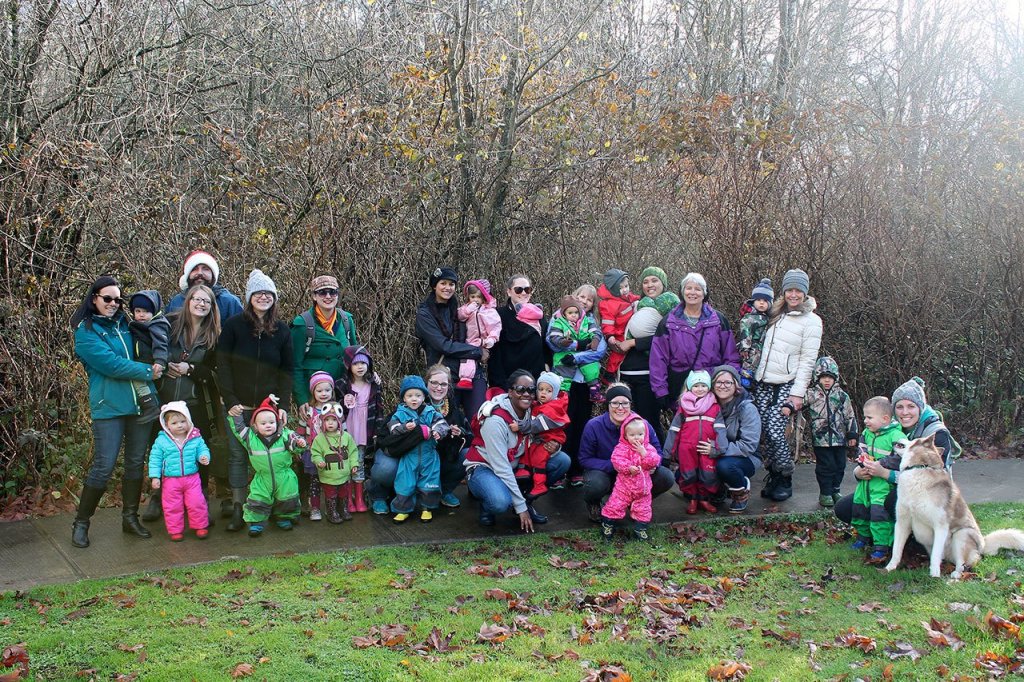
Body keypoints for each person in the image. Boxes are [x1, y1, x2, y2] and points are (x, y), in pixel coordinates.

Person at [70, 276, 163, 548]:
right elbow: (112, 365)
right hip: (109, 408)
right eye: (107, 298)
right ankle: (81, 522)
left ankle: (130, 518)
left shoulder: (127, 324)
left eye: (117, 299)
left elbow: (154, 338)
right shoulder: (86, 332)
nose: (113, 304)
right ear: (94, 298)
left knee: (135, 462)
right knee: (104, 466)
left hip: (141, 405)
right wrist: (149, 371)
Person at [217, 269, 294, 532]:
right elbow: (223, 363)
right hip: (238, 404)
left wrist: (283, 405)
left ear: (274, 298)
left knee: (275, 456)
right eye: (258, 293)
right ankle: (240, 507)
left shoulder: (282, 330)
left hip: (269, 409)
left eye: (268, 293)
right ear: (249, 297)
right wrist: (229, 399)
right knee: (238, 456)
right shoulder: (234, 326)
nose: (263, 297)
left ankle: (276, 506)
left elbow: (287, 371)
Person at [834, 377, 958, 530]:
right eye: (899, 407)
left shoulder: (936, 434)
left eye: (911, 406)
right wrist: (859, 472)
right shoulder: (889, 428)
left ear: (920, 407)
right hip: (890, 486)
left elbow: (928, 480)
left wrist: (885, 473)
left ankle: (915, 538)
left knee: (892, 500)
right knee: (844, 508)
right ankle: (885, 532)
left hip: (931, 496)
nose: (905, 412)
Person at [149, 284, 222, 527]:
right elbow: (152, 351)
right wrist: (162, 365)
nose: (201, 304)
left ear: (212, 308)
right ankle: (157, 498)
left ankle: (198, 503)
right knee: (162, 450)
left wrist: (191, 369)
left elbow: (217, 374)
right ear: (188, 300)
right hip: (165, 401)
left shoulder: (214, 337)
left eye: (207, 302)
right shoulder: (169, 326)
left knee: (197, 453)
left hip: (196, 404)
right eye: (197, 299)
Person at [464, 370, 570, 531]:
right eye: (520, 389)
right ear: (510, 392)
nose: (526, 394)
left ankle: (526, 500)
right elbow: (501, 467)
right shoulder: (495, 420)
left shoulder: (533, 410)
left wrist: (554, 444)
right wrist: (521, 509)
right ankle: (488, 504)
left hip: (517, 465)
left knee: (561, 460)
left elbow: (551, 431)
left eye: (531, 390)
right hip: (487, 467)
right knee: (499, 502)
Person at [752, 268, 823, 502]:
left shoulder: (812, 321)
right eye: (789, 290)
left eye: (798, 290)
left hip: (787, 383)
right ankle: (773, 474)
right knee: (765, 432)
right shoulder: (775, 313)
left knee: (776, 431)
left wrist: (797, 394)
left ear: (805, 292)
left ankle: (785, 476)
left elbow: (807, 360)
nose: (793, 295)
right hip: (763, 381)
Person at [368, 365, 468, 513]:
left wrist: (458, 433)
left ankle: (443, 491)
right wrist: (413, 432)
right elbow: (384, 438)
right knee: (386, 468)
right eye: (434, 383)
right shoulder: (408, 406)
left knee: (467, 454)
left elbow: (469, 436)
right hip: (405, 457)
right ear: (426, 384)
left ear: (449, 387)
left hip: (432, 460)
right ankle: (379, 494)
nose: (439, 387)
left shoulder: (452, 410)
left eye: (443, 384)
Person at [578, 384, 674, 523]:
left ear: (630, 404)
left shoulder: (643, 424)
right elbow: (584, 459)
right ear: (608, 404)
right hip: (606, 472)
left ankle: (637, 504)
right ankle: (594, 504)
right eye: (615, 403)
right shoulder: (594, 426)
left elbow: (657, 451)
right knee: (594, 484)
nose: (620, 407)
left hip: (637, 474)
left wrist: (654, 463)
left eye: (625, 403)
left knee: (666, 476)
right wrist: (615, 465)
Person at [650, 272, 740, 414]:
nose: (692, 292)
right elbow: (658, 360)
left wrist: (730, 382)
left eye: (697, 289)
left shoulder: (718, 320)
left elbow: (731, 356)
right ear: (682, 291)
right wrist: (660, 390)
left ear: (704, 293)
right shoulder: (668, 322)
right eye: (688, 288)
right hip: (680, 388)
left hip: (713, 388)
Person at [550, 285, 608, 488]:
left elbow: (599, 350)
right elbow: (554, 344)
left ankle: (576, 469)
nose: (584, 301)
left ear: (593, 305)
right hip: (565, 382)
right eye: (581, 296)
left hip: (584, 382)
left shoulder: (592, 323)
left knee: (581, 424)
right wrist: (581, 345)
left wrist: (576, 356)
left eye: (589, 299)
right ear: (573, 297)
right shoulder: (558, 318)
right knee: (563, 424)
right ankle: (559, 469)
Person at [227, 395, 306, 537]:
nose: (268, 425)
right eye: (263, 423)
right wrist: (236, 415)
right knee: (258, 499)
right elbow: (238, 429)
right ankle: (256, 523)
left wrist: (299, 443)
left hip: (283, 475)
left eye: (271, 422)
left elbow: (295, 441)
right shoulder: (250, 438)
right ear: (255, 426)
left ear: (277, 422)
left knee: (287, 498)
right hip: (263, 477)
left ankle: (283, 517)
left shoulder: (284, 435)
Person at [415, 267, 487, 420]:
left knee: (479, 420)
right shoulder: (425, 313)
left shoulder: (460, 310)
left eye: (452, 284)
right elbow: (443, 345)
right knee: (445, 424)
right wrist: (477, 351)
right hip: (444, 377)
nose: (448, 288)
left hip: (470, 371)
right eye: (443, 283)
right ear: (435, 285)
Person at [619, 267, 679, 445]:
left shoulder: (672, 306)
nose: (649, 285)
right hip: (628, 371)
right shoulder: (639, 304)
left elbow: (670, 339)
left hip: (650, 374)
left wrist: (633, 343)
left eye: (654, 281)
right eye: (646, 281)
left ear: (663, 283)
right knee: (628, 423)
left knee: (648, 421)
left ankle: (658, 462)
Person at [291, 274, 358, 413]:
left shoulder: (346, 320)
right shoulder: (302, 324)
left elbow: (356, 357)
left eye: (332, 292)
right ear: (314, 296)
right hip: (315, 396)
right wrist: (302, 399)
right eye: (322, 292)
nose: (328, 296)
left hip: (343, 390)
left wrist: (369, 374)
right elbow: (294, 365)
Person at [388, 376, 449, 524]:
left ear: (424, 396)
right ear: (404, 398)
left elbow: (442, 423)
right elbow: (392, 427)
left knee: (429, 482)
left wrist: (438, 431)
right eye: (410, 396)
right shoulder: (401, 413)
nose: (414, 399)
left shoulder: (430, 411)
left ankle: (426, 508)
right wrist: (403, 428)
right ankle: (402, 510)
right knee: (405, 483)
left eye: (418, 395)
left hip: (429, 456)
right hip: (409, 455)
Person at [147, 402, 211, 541]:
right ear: (166, 424)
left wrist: (204, 456)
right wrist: (155, 476)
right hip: (171, 480)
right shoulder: (161, 440)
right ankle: (175, 530)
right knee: (172, 506)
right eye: (175, 423)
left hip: (192, 478)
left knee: (197, 502)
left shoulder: (195, 437)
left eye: (183, 421)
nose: (180, 425)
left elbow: (203, 449)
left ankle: (200, 526)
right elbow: (155, 459)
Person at [849, 396, 902, 562]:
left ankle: (881, 546)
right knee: (859, 509)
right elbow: (861, 450)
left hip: (882, 485)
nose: (865, 421)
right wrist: (862, 461)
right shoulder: (866, 433)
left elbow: (900, 458)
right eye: (865, 417)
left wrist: (880, 464)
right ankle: (862, 538)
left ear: (885, 418)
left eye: (869, 417)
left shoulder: (896, 436)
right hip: (865, 483)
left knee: (879, 514)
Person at [705, 366, 763, 514]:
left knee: (725, 467)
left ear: (736, 385)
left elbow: (748, 446)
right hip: (715, 451)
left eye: (727, 382)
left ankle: (741, 490)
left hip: (745, 456)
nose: (722, 386)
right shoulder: (708, 406)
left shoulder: (747, 409)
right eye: (718, 382)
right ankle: (719, 489)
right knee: (683, 473)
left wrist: (716, 449)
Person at [802, 357, 858, 507]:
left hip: (840, 438)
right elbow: (798, 404)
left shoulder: (841, 396)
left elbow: (850, 415)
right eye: (823, 377)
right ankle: (825, 492)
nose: (827, 380)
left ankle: (835, 490)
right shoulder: (811, 394)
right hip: (821, 439)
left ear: (836, 378)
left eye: (830, 377)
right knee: (826, 466)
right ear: (817, 378)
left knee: (840, 464)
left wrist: (852, 434)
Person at [663, 370, 720, 514]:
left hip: (706, 447)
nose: (700, 389)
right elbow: (674, 431)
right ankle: (693, 499)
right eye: (696, 386)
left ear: (709, 387)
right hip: (686, 447)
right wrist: (668, 453)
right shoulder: (683, 408)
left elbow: (721, 430)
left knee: (707, 474)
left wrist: (720, 447)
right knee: (689, 474)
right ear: (689, 387)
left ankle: (704, 499)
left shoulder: (714, 406)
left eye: (703, 385)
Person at [336, 345, 384, 513]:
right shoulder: (341, 385)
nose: (360, 367)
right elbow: (335, 410)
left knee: (360, 462)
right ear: (349, 365)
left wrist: (379, 429)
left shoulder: (373, 384)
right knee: (347, 463)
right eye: (356, 364)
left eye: (364, 363)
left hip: (365, 429)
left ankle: (360, 498)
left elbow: (379, 409)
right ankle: (348, 499)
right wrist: (344, 403)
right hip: (348, 430)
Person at [600, 414, 661, 543]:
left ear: (645, 434)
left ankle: (640, 528)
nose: (637, 438)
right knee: (615, 505)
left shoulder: (648, 448)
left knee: (643, 509)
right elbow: (616, 461)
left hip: (643, 489)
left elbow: (654, 461)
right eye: (632, 435)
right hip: (624, 488)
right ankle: (608, 525)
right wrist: (628, 468)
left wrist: (644, 453)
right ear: (625, 435)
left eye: (640, 434)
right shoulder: (622, 448)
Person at [512, 371, 570, 498]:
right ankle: (524, 470)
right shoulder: (540, 404)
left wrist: (520, 426)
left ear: (554, 393)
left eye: (548, 391)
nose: (543, 393)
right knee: (528, 450)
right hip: (539, 438)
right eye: (540, 389)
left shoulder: (553, 408)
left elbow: (538, 424)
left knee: (539, 459)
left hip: (547, 439)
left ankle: (539, 485)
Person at [488, 275, 548, 390]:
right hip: (510, 382)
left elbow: (545, 346)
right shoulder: (498, 315)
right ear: (509, 292)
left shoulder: (539, 315)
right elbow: (495, 354)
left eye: (527, 289)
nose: (524, 293)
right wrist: (500, 385)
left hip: (537, 381)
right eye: (519, 289)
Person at [295, 371, 336, 521]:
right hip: (312, 452)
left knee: (330, 482)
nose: (324, 393)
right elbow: (300, 432)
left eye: (327, 390)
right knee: (314, 483)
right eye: (319, 390)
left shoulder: (335, 409)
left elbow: (343, 430)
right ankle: (315, 508)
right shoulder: (308, 412)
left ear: (332, 390)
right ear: (313, 392)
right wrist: (299, 446)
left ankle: (332, 508)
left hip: (331, 452)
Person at [548, 296, 604, 402]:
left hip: (585, 352)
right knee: (564, 371)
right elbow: (553, 337)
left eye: (576, 312)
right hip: (565, 352)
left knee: (591, 367)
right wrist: (562, 341)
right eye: (570, 313)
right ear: (564, 314)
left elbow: (595, 331)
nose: (574, 315)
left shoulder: (586, 320)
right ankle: (563, 395)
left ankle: (594, 391)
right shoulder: (559, 322)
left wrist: (595, 339)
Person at [310, 402, 358, 523]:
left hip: (344, 474)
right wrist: (319, 461)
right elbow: (315, 453)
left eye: (334, 420)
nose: (330, 423)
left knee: (343, 493)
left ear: (339, 422)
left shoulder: (346, 437)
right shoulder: (319, 439)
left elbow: (353, 451)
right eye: (327, 420)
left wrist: (354, 465)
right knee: (331, 494)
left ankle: (343, 509)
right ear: (323, 422)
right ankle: (331, 512)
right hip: (328, 475)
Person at [127, 290, 170, 423]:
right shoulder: (140, 326)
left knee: (138, 381)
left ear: (154, 311)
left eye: (145, 311)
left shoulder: (157, 325)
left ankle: (150, 407)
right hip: (142, 360)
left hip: (149, 362)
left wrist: (160, 360)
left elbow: (161, 343)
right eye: (138, 311)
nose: (141, 315)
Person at [165, 250, 243, 322]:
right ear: (188, 275)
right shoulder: (176, 302)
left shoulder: (229, 303)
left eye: (205, 269)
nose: (200, 273)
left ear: (213, 275)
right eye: (194, 269)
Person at [456, 279, 501, 391]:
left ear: (484, 297)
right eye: (472, 297)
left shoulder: (489, 311)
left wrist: (492, 338)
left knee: (485, 360)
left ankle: (486, 383)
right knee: (468, 358)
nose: (475, 300)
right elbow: (460, 315)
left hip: (484, 341)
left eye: (478, 297)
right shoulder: (467, 308)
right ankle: (466, 379)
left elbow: (495, 326)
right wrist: (468, 310)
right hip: (471, 340)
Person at [597, 269, 640, 384]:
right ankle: (609, 374)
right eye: (621, 288)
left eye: (626, 286)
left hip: (627, 328)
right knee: (618, 353)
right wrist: (610, 335)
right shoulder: (609, 304)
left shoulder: (626, 297)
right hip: (618, 333)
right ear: (614, 290)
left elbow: (634, 298)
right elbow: (607, 322)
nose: (625, 289)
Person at [736, 278, 773, 389]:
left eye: (765, 301)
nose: (761, 303)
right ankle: (745, 378)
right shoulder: (750, 317)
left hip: (763, 345)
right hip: (752, 345)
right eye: (758, 300)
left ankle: (755, 381)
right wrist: (745, 347)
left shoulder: (768, 317)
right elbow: (745, 331)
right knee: (750, 361)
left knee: (759, 362)